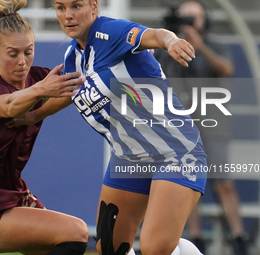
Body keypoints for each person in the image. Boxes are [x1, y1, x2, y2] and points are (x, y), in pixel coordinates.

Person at [30, 0, 206, 254]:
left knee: (156, 248)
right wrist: (29, 116)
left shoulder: (110, 32)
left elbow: (154, 34)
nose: (68, 15)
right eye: (60, 7)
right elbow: (67, 95)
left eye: (76, 6)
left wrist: (170, 41)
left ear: (93, 6)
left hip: (174, 152)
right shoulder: (73, 57)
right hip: (129, 159)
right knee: (110, 249)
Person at [0, 0, 88, 255]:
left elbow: (79, 86)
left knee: (67, 242)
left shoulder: (36, 79)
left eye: (28, 52)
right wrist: (41, 91)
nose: (22, 61)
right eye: (13, 53)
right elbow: (10, 106)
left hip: (12, 196)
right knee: (76, 232)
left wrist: (37, 114)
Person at [155, 1, 248, 255]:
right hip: (181, 124)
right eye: (185, 19)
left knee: (223, 183)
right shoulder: (168, 49)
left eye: (193, 18)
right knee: (186, 182)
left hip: (213, 123)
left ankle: (238, 238)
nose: (189, 24)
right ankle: (196, 239)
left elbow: (227, 69)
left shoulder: (215, 45)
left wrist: (200, 46)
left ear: (205, 20)